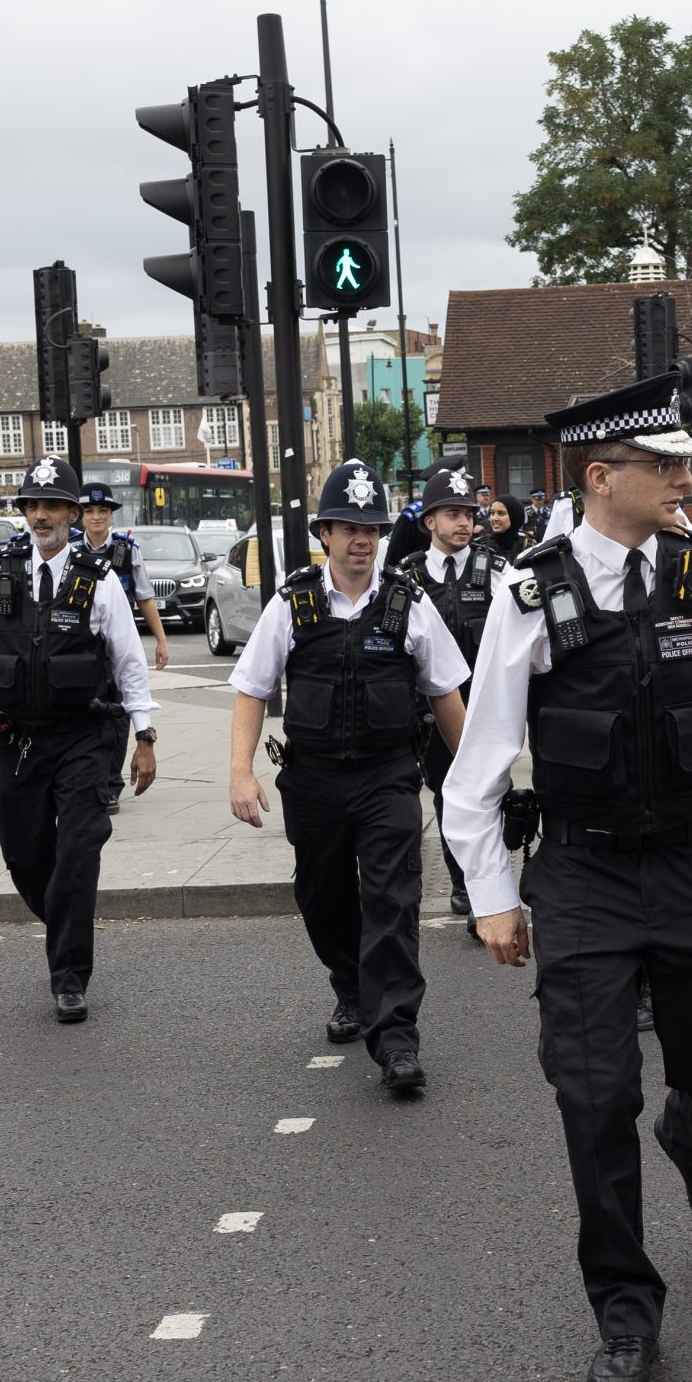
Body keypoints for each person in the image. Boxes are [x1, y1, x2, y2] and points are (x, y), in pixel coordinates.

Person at [444, 371, 692, 1382]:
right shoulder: (530, 593)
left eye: (685, 462)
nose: (685, 478)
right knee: (592, 1090)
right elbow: (480, 760)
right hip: (584, 872)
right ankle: (624, 1306)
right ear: (601, 476)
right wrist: (491, 892)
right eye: (663, 464)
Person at [230, 459, 471, 1093]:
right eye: (348, 528)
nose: (362, 540)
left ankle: (396, 1039)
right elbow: (252, 689)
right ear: (325, 534)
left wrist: (473, 777)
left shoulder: (408, 603)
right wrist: (240, 773)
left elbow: (445, 692)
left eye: (371, 529)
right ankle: (352, 986)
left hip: (386, 776)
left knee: (393, 900)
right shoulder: (293, 603)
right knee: (323, 898)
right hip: (312, 781)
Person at [0, 456, 158, 1022]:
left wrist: (144, 735)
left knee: (79, 851)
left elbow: (130, 664)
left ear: (72, 514)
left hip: (86, 736)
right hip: (19, 741)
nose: (41, 515)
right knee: (24, 856)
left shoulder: (98, 579)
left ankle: (70, 976)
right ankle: (66, 921)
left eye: (52, 506)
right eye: (33, 505)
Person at [398, 465, 506, 927]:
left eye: (468, 514)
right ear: (429, 522)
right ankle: (462, 880)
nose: (465, 522)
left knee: (489, 794)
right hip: (432, 715)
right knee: (447, 795)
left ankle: (488, 882)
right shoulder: (406, 577)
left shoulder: (495, 570)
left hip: (485, 711)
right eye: (452, 514)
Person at [74, 481, 172, 816]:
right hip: (79, 644)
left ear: (111, 514)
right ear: (80, 516)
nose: (96, 517)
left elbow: (144, 597)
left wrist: (161, 639)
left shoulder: (127, 551)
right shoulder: (70, 549)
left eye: (102, 511)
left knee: (117, 713)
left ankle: (110, 784)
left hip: (117, 645)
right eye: (89, 511)